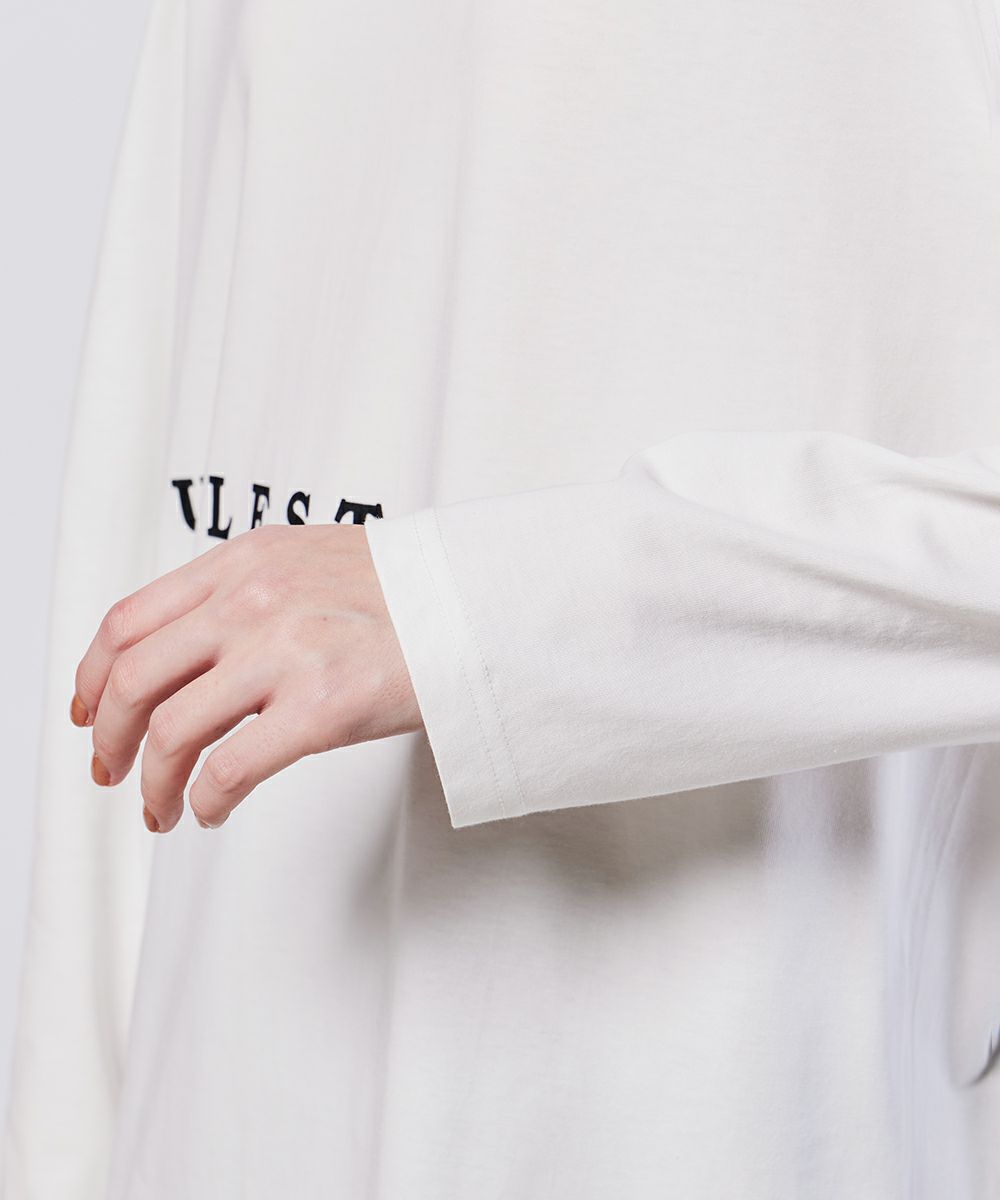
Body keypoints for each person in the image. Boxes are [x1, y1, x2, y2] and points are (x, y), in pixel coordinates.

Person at [4, 0, 1000, 1196]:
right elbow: (157, 486)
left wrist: (478, 610)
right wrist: (67, 1147)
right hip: (234, 1085)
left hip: (707, 1084)